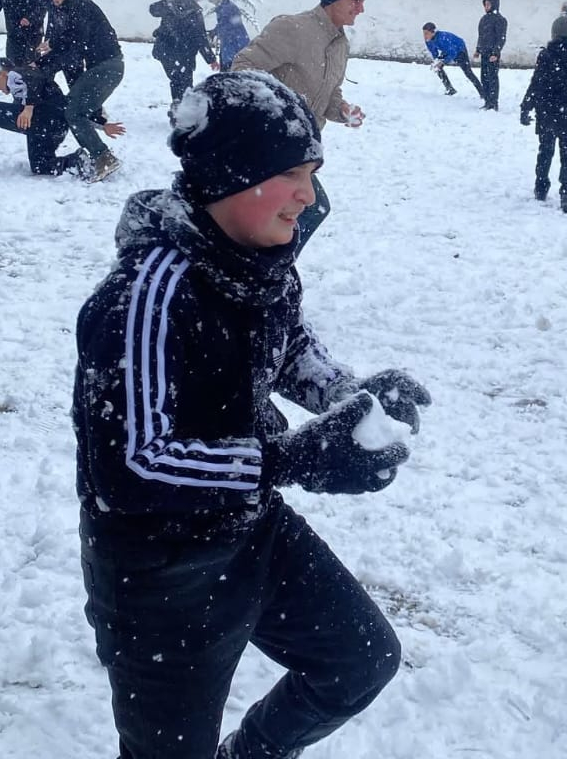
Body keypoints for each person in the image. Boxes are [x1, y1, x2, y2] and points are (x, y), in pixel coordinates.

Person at [74, 70, 431, 759]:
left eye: (312, 173)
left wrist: (351, 397)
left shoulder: (261, 261)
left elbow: (285, 343)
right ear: (230, 176)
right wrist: (292, 460)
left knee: (358, 663)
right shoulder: (143, 297)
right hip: (159, 573)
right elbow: (133, 466)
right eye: (290, 173)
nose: (309, 194)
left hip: (252, 530)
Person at [231, 0, 367, 251]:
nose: (361, 9)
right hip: (267, 143)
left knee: (305, 211)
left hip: (300, 150)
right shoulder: (293, 28)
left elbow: (330, 92)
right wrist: (276, 113)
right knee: (294, 211)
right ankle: (262, 266)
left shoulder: (340, 44)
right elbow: (244, 68)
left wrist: (343, 110)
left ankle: (270, 265)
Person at [0, 57, 125, 178]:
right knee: (41, 166)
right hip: (52, 127)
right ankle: (77, 161)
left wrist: (29, 108)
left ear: (1, 73)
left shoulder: (16, 74)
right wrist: (102, 126)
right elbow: (67, 107)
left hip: (44, 119)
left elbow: (33, 81)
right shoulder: (23, 85)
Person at [36, 0, 126, 183]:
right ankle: (101, 153)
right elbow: (69, 43)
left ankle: (103, 157)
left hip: (107, 68)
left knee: (73, 112)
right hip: (102, 68)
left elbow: (73, 43)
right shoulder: (70, 7)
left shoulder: (80, 8)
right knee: (74, 110)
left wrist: (46, 58)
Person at [519, 16, 567, 212]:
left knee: (545, 150)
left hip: (547, 111)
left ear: (554, 32)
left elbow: (536, 83)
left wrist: (526, 106)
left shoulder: (546, 55)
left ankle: (541, 186)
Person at [149, 0, 217, 108]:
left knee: (176, 79)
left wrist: (166, 4)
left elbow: (153, 10)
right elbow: (200, 38)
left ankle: (178, 105)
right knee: (185, 83)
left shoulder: (169, 3)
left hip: (164, 50)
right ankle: (184, 109)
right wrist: (211, 59)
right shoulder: (195, 12)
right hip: (184, 53)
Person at [422, 21, 483, 98]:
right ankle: (450, 89)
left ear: (433, 32)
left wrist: (443, 62)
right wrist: (436, 62)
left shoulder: (442, 38)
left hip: (459, 49)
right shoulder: (428, 41)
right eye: (423, 33)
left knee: (468, 72)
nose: (424, 36)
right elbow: (434, 52)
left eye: (426, 33)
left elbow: (453, 53)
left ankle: (482, 93)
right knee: (437, 67)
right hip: (447, 50)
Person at [475, 0, 508, 110]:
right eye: (485, 4)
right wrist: (478, 49)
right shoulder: (483, 19)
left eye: (488, 4)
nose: (486, 7)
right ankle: (487, 100)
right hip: (484, 52)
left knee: (492, 77)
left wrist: (496, 52)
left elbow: (501, 38)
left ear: (494, 4)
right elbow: (481, 36)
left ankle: (493, 102)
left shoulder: (500, 20)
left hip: (493, 54)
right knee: (484, 77)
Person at [213, 0, 251, 70]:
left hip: (231, 51)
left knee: (229, 73)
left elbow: (225, 27)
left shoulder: (225, 10)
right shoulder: (229, 8)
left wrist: (216, 31)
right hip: (237, 49)